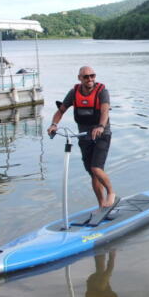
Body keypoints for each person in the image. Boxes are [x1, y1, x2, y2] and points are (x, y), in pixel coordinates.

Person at [47, 66, 116, 209]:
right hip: (84, 136)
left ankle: (111, 192)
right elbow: (60, 111)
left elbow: (104, 112)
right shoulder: (74, 93)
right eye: (86, 76)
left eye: (92, 75)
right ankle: (101, 205)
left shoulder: (102, 92)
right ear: (79, 78)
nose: (90, 79)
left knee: (96, 168)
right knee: (92, 173)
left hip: (102, 134)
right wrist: (54, 124)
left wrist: (101, 127)